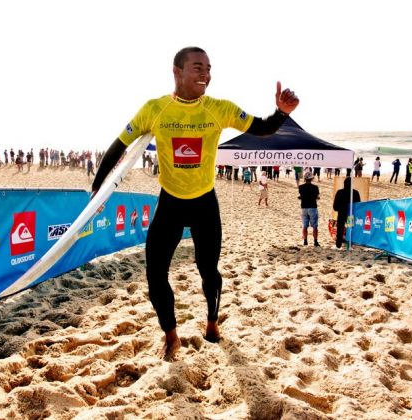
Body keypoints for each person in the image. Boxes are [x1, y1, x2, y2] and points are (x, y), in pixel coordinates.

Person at [91, 46, 299, 359]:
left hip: (204, 203)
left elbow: (262, 128)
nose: (206, 75)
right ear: (177, 71)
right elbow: (118, 145)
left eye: (209, 69)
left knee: (208, 271)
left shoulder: (219, 108)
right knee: (155, 274)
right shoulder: (155, 109)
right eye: (198, 68)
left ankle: (212, 322)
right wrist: (98, 189)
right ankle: (171, 336)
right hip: (170, 203)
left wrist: (281, 113)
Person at [332, 176, 360, 249]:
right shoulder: (355, 193)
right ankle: (350, 244)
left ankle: (338, 245)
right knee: (351, 229)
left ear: (344, 184)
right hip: (352, 214)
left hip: (341, 213)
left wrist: (340, 209)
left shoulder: (339, 192)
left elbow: (335, 206)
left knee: (340, 229)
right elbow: (358, 205)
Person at [298, 171, 320, 246]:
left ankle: (305, 241)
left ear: (304, 178)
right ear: (312, 179)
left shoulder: (300, 187)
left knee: (304, 226)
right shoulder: (315, 187)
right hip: (313, 207)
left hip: (304, 207)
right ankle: (315, 241)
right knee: (315, 226)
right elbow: (317, 197)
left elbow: (301, 196)